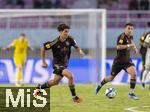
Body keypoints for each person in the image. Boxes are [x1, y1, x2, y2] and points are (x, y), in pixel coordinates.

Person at [33, 23, 85, 103]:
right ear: (61, 32)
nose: (67, 33)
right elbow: (43, 48)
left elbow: (76, 47)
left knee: (55, 82)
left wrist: (80, 51)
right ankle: (75, 97)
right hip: (57, 64)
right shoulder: (54, 42)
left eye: (68, 32)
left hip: (64, 64)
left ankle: (39, 88)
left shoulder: (70, 39)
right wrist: (43, 61)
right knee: (70, 76)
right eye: (65, 31)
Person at [95, 23, 139, 100]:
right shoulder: (121, 37)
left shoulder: (130, 37)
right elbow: (118, 47)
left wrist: (135, 48)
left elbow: (132, 42)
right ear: (125, 29)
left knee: (134, 74)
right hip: (118, 62)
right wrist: (129, 46)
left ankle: (131, 93)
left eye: (132, 29)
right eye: (128, 28)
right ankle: (100, 84)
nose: (130, 30)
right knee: (111, 78)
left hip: (127, 61)